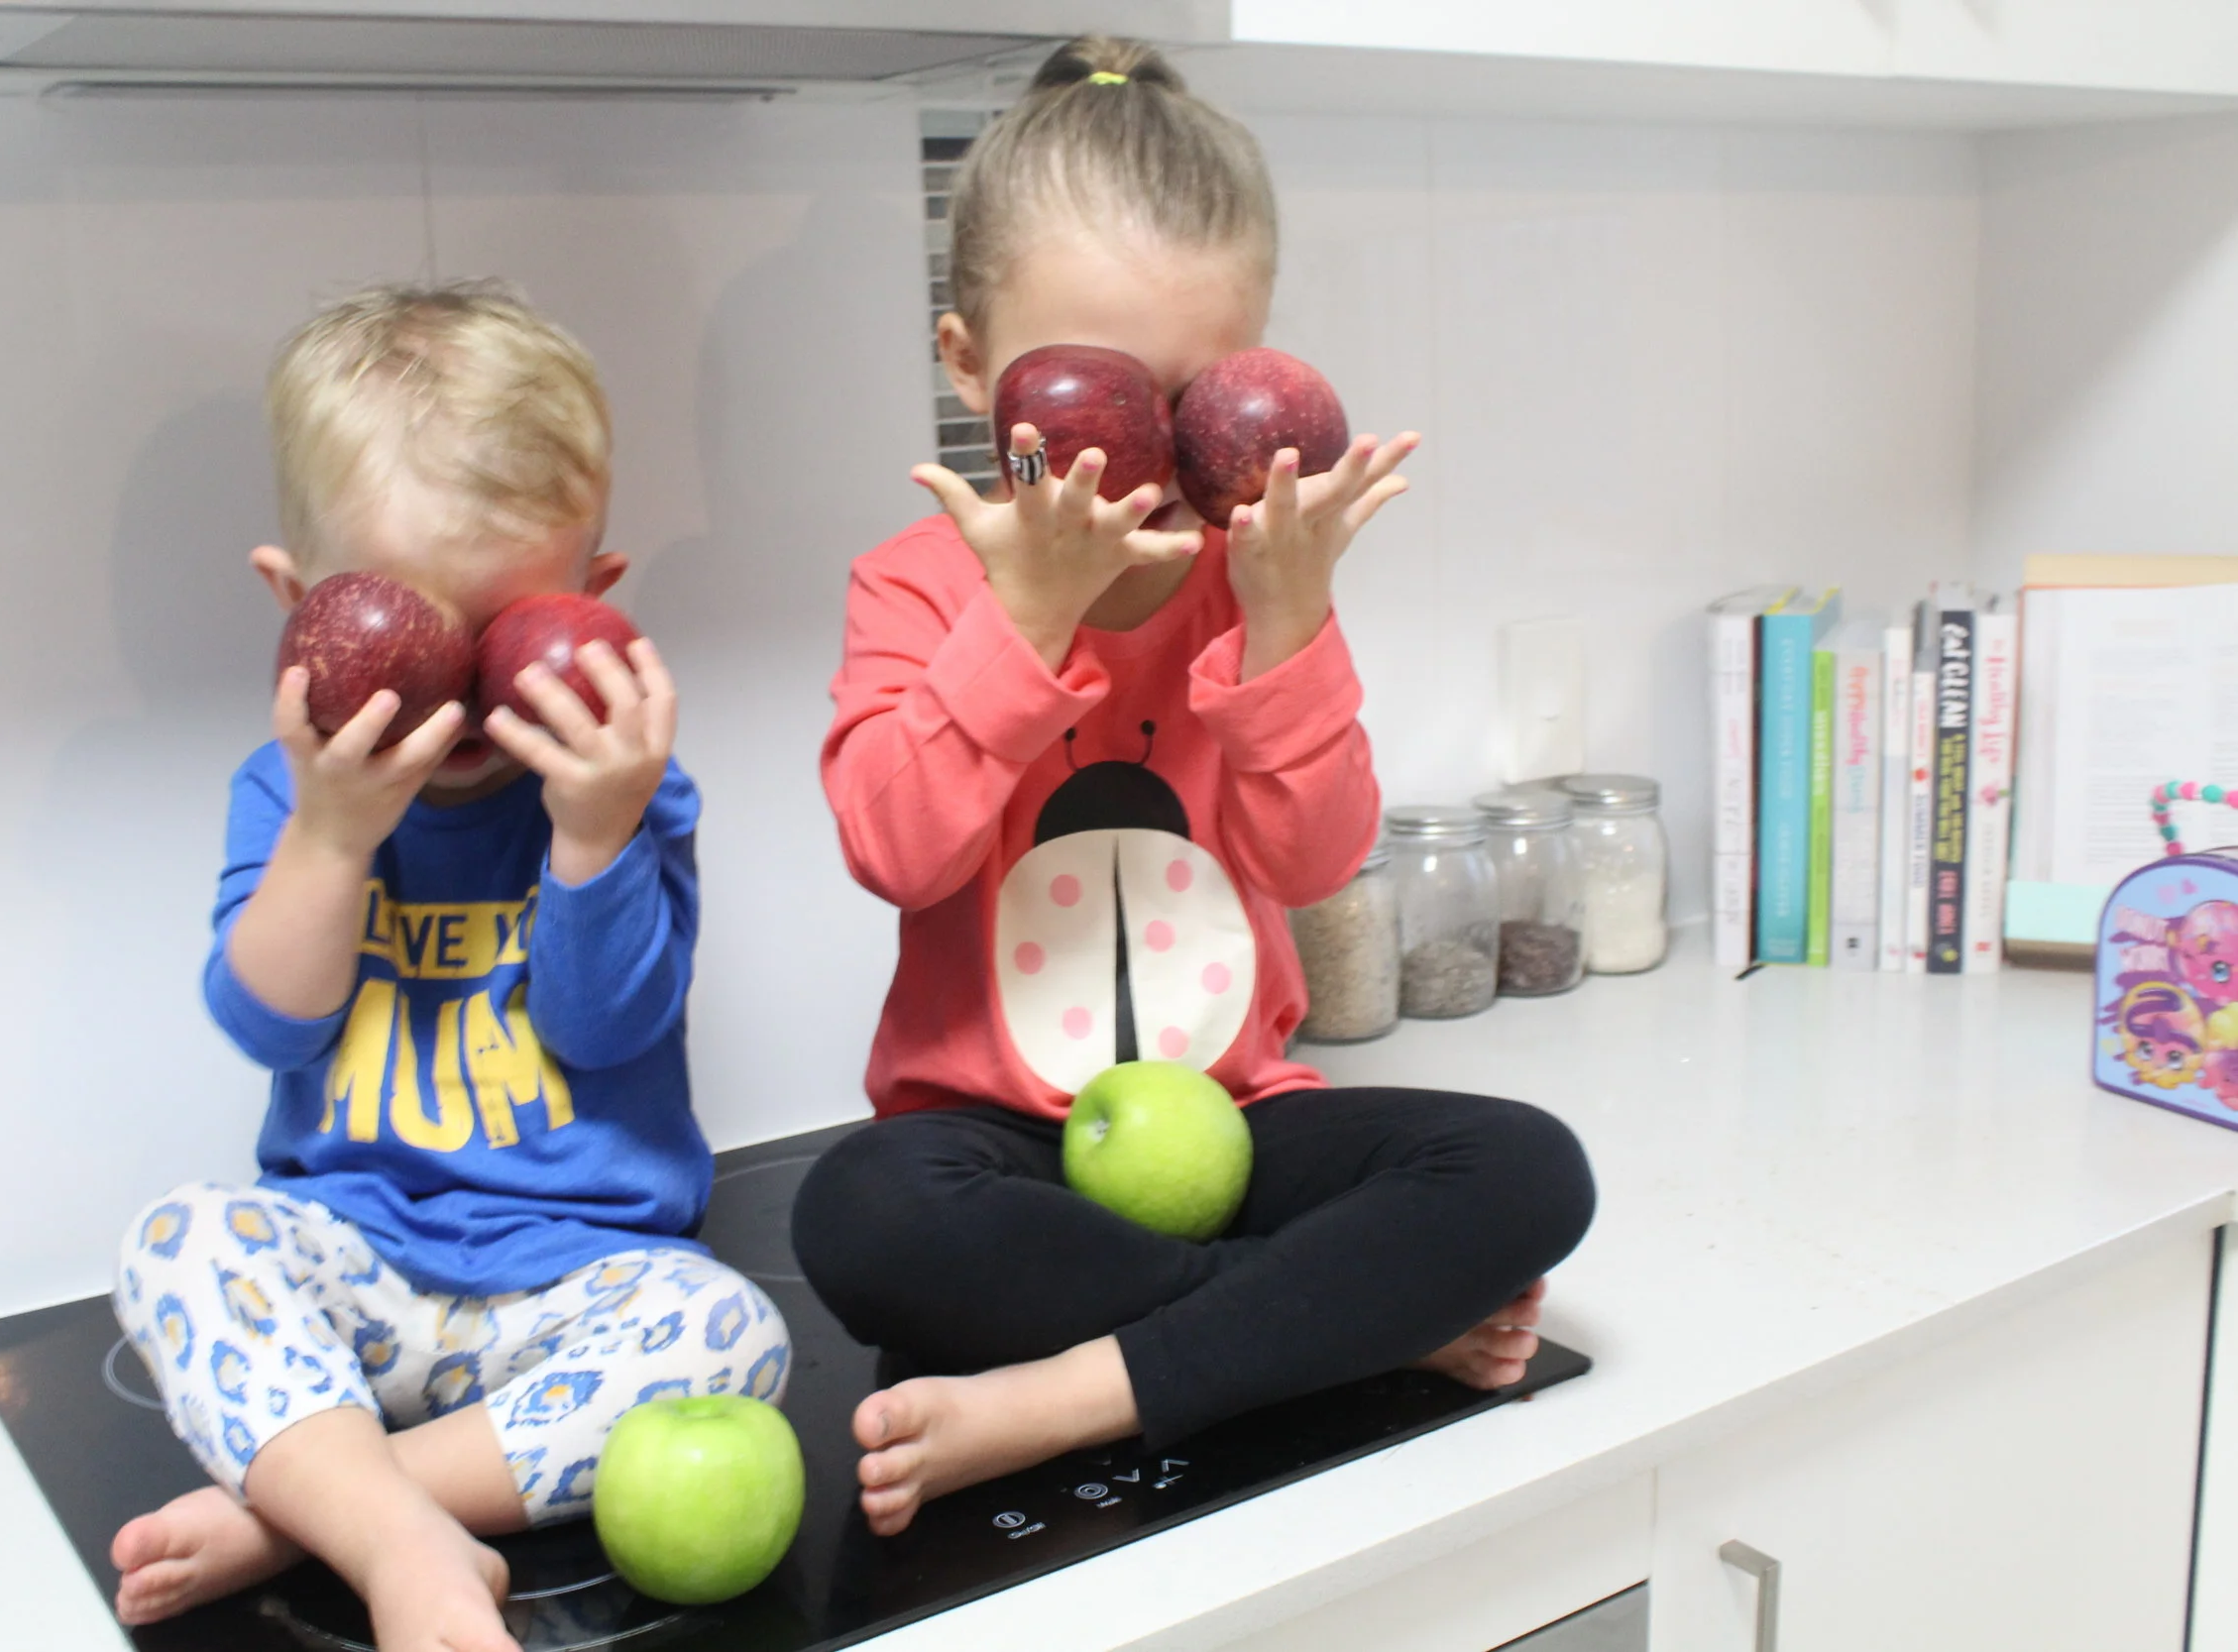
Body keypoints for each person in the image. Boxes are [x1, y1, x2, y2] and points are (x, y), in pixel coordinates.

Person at [794, 37, 1597, 1538]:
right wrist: (1025, 620)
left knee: (1526, 1170)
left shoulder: (1253, 582)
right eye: (1093, 399)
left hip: (1236, 1118)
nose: (1150, 456)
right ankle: (1331, 1325)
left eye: (1194, 398)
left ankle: (1069, 1392)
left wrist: (1287, 625)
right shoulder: (918, 583)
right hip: (999, 1148)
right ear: (966, 362)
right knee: (857, 1215)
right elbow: (895, 850)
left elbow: (1314, 860)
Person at [108, 283, 787, 1652]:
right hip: (352, 1272)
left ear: (595, 601)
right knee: (180, 1239)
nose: (467, 691)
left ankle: (322, 1509)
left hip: (580, 1285)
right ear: (298, 606)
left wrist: (593, 835)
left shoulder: (622, 791)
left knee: (730, 1331)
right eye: (414, 630)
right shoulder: (292, 794)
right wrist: (333, 834)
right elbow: (269, 1022)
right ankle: (397, 1535)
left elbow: (605, 1027)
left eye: (510, 628)